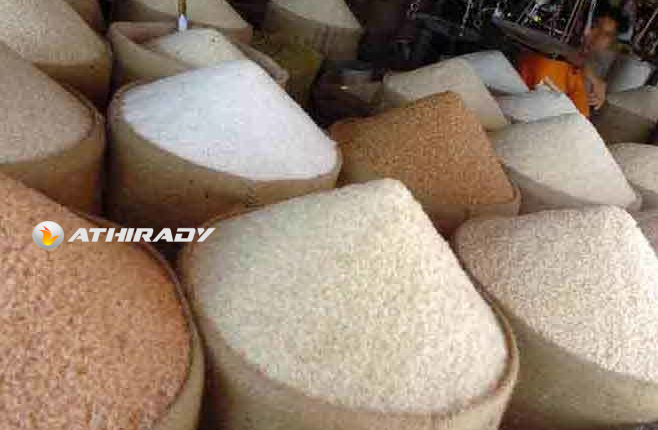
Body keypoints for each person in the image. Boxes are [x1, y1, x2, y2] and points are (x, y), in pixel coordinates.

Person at [516, 3, 629, 118]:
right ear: (582, 25)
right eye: (596, 26)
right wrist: (595, 79)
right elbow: (557, 47)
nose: (598, 37)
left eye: (607, 34)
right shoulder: (553, 51)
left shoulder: (593, 68)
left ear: (611, 42)